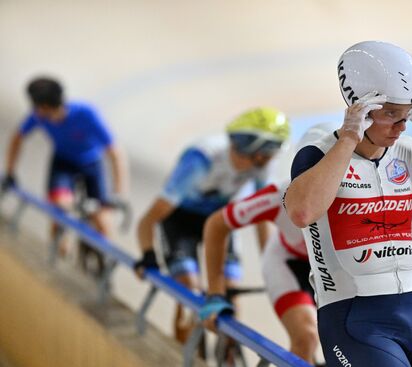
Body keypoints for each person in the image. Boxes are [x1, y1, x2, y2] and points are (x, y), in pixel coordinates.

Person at [284, 41, 412, 367]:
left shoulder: (410, 153)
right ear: (359, 108)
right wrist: (349, 139)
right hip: (351, 316)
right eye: (391, 114)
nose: (402, 126)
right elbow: (301, 212)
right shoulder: (319, 152)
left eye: (407, 114)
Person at [133, 107, 290, 344]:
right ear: (253, 150)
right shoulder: (200, 160)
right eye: (266, 156)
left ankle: (228, 349)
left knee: (230, 294)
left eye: (270, 157)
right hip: (181, 221)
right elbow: (150, 218)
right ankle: (184, 349)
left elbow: (262, 217)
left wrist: (270, 263)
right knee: (188, 289)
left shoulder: (260, 164)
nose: (268, 162)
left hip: (219, 222)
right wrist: (147, 253)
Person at [198, 123, 337, 364]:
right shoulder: (280, 194)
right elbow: (216, 225)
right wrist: (215, 293)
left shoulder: (365, 194)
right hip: (287, 263)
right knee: (306, 337)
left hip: (334, 272)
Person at [1, 76, 128, 254]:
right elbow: (18, 138)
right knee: (59, 208)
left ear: (42, 106)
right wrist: (10, 172)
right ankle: (59, 252)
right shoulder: (39, 116)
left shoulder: (86, 113)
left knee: (103, 219)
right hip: (63, 163)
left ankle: (106, 262)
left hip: (91, 164)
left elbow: (115, 152)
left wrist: (118, 193)